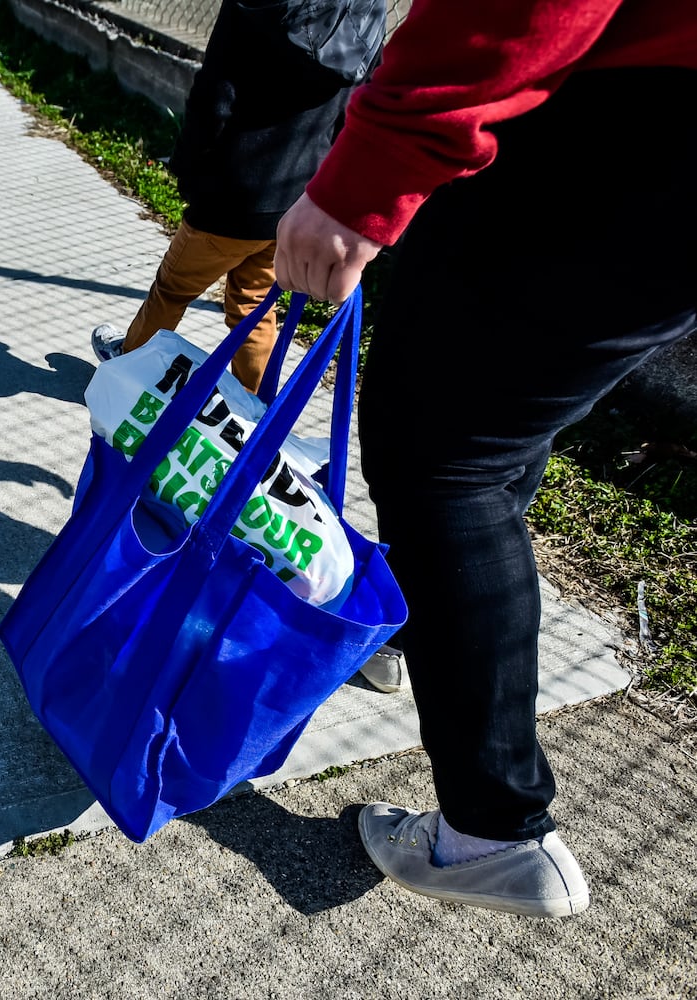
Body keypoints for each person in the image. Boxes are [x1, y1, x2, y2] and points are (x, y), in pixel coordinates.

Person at [273, 0, 697, 917]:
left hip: (625, 123)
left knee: (445, 457)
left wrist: (366, 178)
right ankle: (410, 634)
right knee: (494, 435)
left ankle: (490, 829)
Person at [91, 0, 377, 396]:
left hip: (232, 190)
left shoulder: (257, 6)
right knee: (254, 304)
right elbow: (354, 108)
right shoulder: (364, 9)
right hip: (299, 195)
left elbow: (215, 95)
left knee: (172, 290)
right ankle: (255, 408)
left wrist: (189, 169)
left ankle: (126, 374)